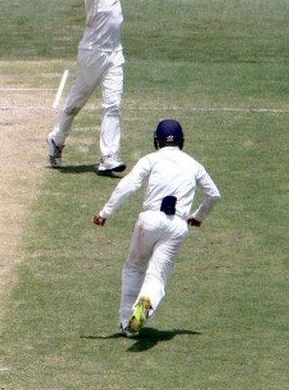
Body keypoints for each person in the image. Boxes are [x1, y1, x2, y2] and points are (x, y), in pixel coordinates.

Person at [93, 120, 220, 336]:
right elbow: (214, 194)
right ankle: (146, 303)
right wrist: (198, 216)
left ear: (156, 141)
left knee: (134, 267)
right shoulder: (194, 165)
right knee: (157, 276)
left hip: (149, 221)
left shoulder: (151, 159)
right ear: (182, 142)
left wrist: (105, 212)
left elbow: (128, 185)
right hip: (177, 225)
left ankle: (127, 323)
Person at [47, 0, 148, 175]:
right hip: (91, 55)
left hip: (115, 55)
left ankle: (109, 157)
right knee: (75, 104)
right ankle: (57, 140)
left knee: (113, 105)